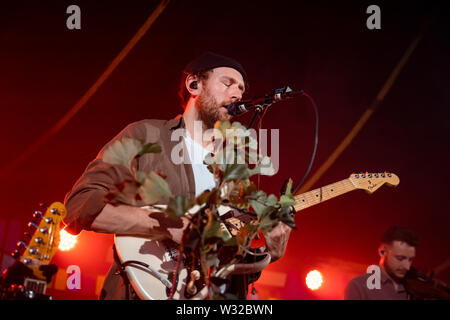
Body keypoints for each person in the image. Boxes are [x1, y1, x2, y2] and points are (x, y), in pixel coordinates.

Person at [63, 52, 292, 299]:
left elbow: (230, 264)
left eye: (241, 90)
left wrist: (268, 252)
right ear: (194, 84)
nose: (237, 94)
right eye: (227, 83)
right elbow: (80, 205)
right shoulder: (145, 135)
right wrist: (168, 225)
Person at [344, 226, 419, 300]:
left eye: (410, 260)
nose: (407, 267)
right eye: (400, 258)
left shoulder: (412, 288)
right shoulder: (359, 286)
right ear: (382, 252)